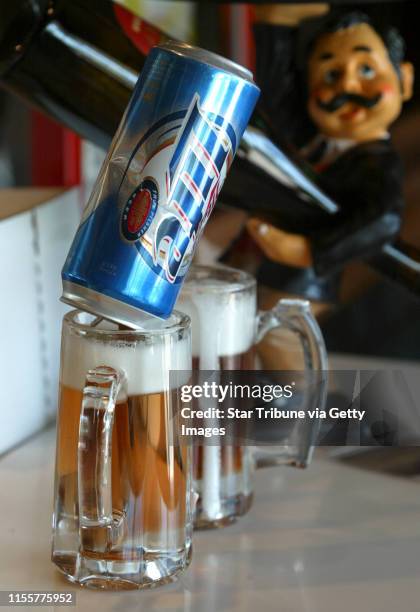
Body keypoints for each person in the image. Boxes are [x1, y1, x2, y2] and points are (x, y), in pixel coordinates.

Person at [246, 3, 414, 309]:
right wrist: (276, 27)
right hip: (260, 269)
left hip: (302, 284)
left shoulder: (376, 164)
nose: (347, 85)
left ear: (405, 80)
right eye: (331, 73)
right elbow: (278, 99)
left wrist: (306, 250)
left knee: (282, 340)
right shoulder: (315, 139)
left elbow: (383, 220)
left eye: (366, 69)